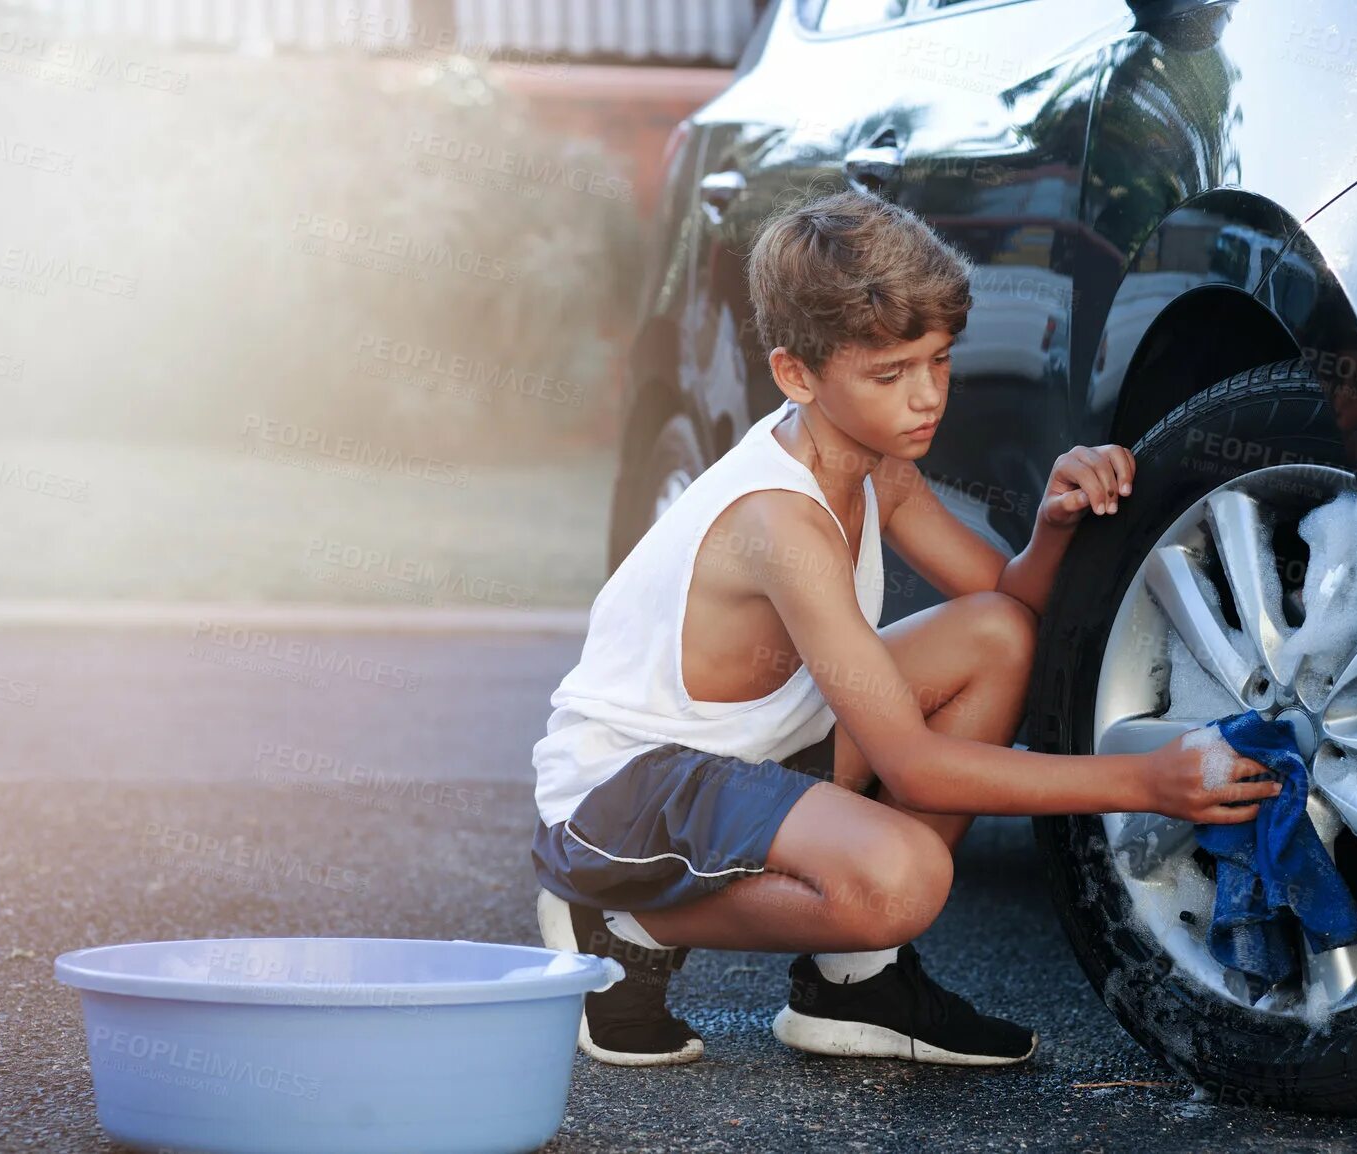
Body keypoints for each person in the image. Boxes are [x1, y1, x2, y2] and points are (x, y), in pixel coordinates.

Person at [530, 188, 1277, 1067]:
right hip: (625, 794)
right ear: (796, 375)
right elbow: (912, 765)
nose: (926, 398)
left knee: (996, 636)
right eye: (890, 375)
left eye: (940, 361)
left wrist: (1054, 523)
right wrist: (1144, 782)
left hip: (745, 755)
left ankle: (856, 980)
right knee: (905, 878)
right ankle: (620, 922)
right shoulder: (782, 520)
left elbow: (1012, 607)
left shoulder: (874, 462)